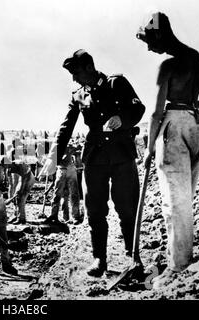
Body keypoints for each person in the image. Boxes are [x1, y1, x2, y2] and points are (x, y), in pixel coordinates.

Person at [39, 49, 145, 277]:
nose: (74, 79)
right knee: (95, 211)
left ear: (89, 67)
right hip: (95, 158)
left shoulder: (117, 83)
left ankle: (133, 256)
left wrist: (122, 119)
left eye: (76, 73)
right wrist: (53, 157)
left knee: (127, 208)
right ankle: (100, 259)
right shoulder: (78, 95)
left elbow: (138, 108)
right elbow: (66, 127)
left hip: (122, 155)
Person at [136, 12, 199, 289]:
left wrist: (149, 147)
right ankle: (181, 258)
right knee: (185, 196)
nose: (150, 48)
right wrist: (192, 110)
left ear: (160, 36)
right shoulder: (197, 59)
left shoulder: (167, 66)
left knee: (174, 202)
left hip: (173, 127)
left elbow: (155, 113)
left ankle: (178, 266)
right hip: (196, 125)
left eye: (150, 41)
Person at [43, 143, 83, 224]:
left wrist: (75, 148)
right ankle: (54, 215)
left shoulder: (68, 145)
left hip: (69, 168)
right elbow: (51, 159)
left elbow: (78, 149)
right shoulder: (56, 146)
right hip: (62, 168)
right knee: (58, 193)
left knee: (74, 193)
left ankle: (75, 216)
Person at [0, 156, 35, 224]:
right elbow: (12, 184)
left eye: (4, 165)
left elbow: (24, 178)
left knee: (21, 198)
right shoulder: (8, 168)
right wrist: (12, 196)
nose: (4, 168)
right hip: (21, 179)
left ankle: (22, 219)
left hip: (29, 178)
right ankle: (16, 215)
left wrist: (20, 191)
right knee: (16, 199)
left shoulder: (19, 164)